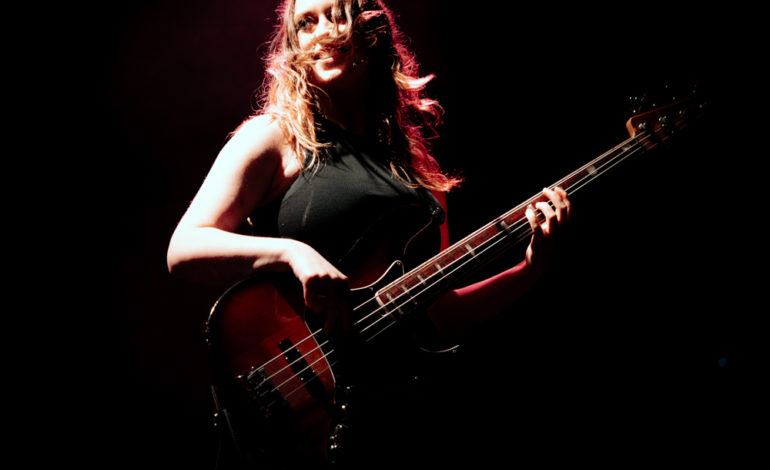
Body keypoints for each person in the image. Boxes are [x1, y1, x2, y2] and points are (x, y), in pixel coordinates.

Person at [167, 0, 570, 466]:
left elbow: (439, 312)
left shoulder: (417, 172)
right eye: (305, 23)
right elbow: (185, 247)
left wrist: (528, 270)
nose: (321, 32)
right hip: (299, 398)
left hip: (392, 417)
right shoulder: (276, 137)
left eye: (335, 15)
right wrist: (293, 254)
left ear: (370, 28)